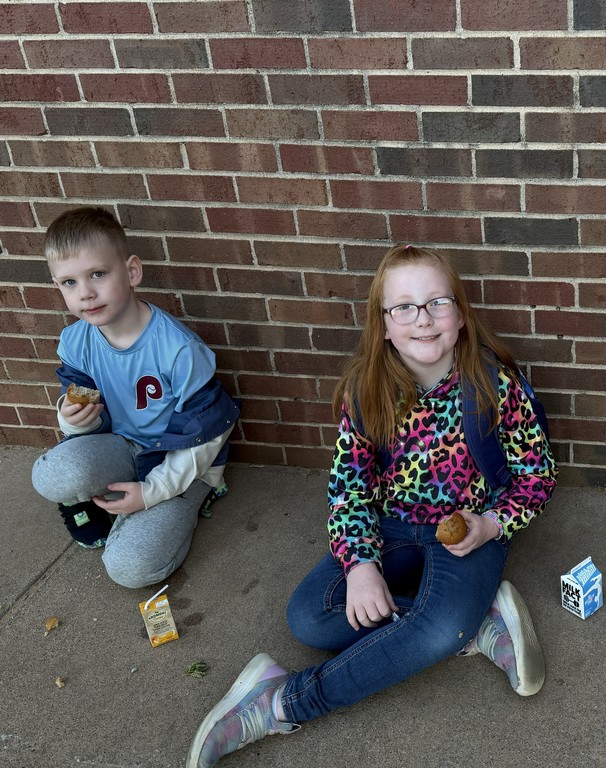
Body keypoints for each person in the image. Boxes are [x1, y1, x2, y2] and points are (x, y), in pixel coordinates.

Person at [187, 244, 557, 766]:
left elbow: (537, 476)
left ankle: (278, 703)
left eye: (437, 303)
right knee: (310, 619)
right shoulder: (366, 392)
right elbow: (349, 490)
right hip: (392, 529)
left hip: (470, 532)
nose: (422, 319)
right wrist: (361, 566)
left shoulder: (495, 387)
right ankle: (475, 624)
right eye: (403, 307)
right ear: (383, 324)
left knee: (435, 630)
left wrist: (493, 524)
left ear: (460, 314)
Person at [31, 207, 239, 589]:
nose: (85, 293)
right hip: (123, 446)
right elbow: (87, 417)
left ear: (131, 272)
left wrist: (152, 493)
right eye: (69, 282)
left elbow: (211, 429)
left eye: (98, 274)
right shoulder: (76, 341)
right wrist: (71, 417)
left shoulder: (177, 348)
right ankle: (106, 501)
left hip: (177, 460)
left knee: (130, 568)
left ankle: (190, 500)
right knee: (49, 473)